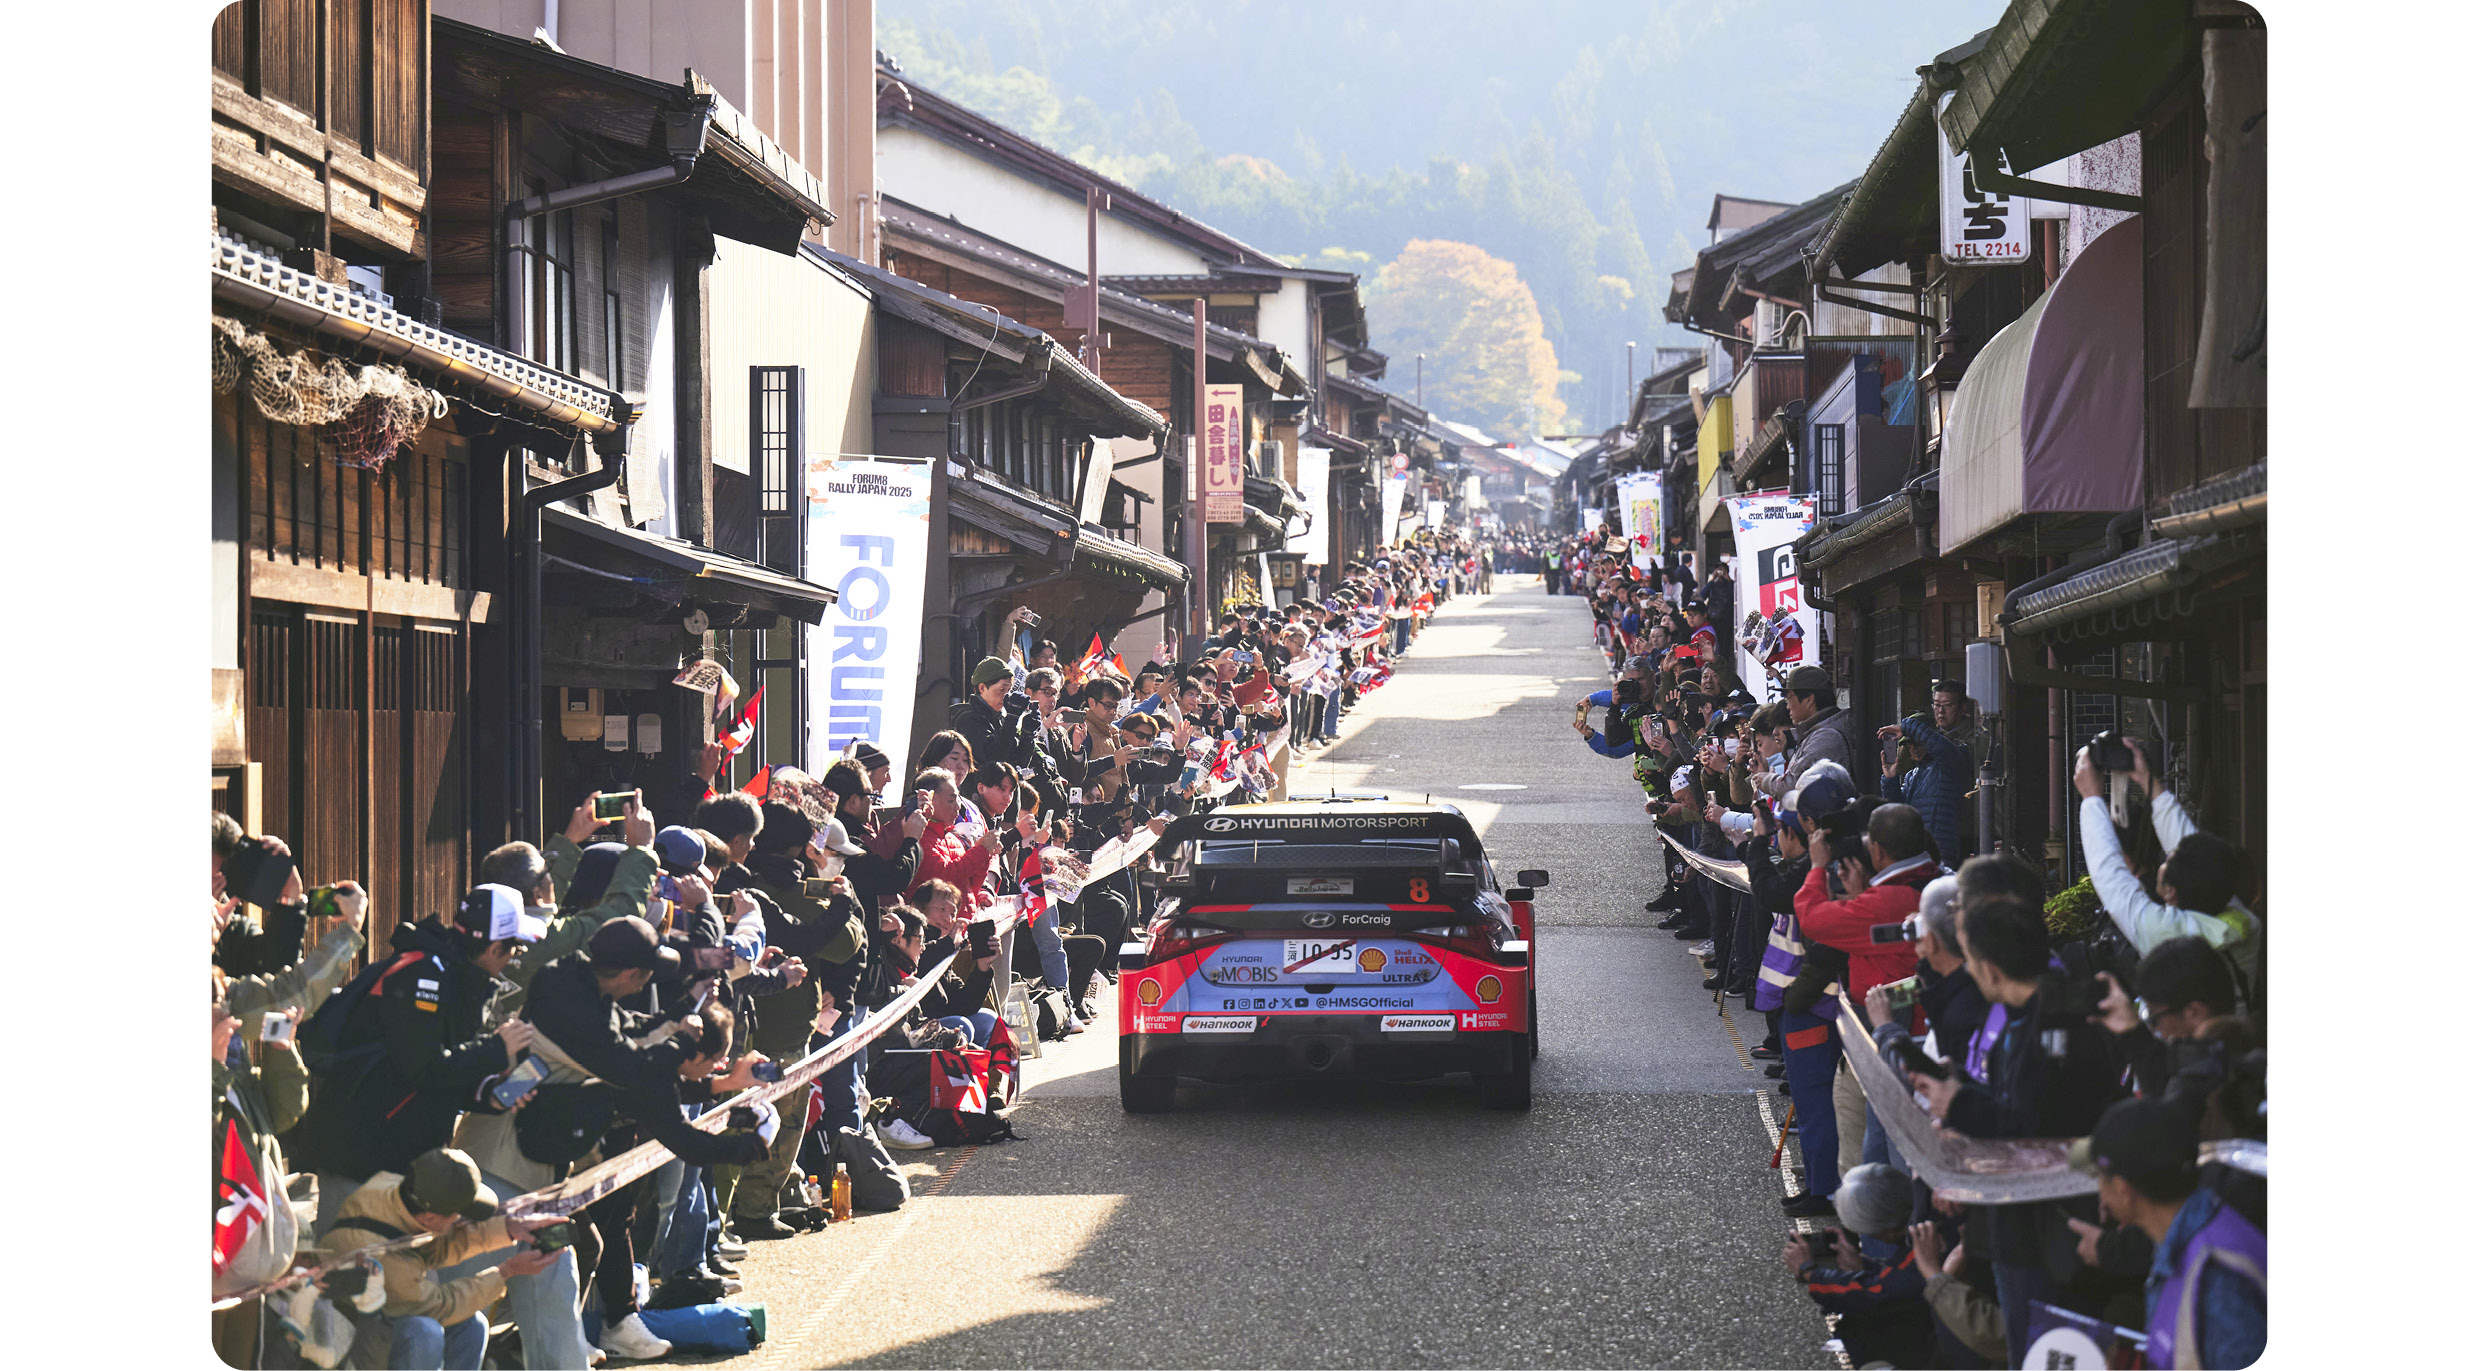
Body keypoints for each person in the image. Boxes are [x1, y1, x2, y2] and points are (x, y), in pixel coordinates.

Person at [1908, 893, 2128, 1364]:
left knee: (2034, 1344)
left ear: (1988, 967)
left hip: (2040, 1222)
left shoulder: (2036, 1028)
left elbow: (2030, 1124)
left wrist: (1960, 1103)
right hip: (2038, 1214)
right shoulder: (2043, 1014)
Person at [290, 885, 547, 1235]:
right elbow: (422, 1067)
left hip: (405, 1159)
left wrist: (491, 1092)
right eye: (514, 948)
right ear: (493, 947)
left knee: (403, 1278)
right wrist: (495, 1050)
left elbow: (443, 1077)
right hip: (360, 1154)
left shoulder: (460, 980)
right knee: (348, 1269)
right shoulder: (423, 974)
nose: (513, 958)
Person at [317, 1147, 562, 1370]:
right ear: (430, 1217)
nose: (460, 1222)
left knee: (473, 1324)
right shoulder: (386, 1262)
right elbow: (443, 1305)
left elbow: (430, 1247)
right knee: (426, 1331)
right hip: (352, 1339)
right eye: (458, 1216)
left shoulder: (390, 1187)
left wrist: (509, 1228)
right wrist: (506, 1272)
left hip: (384, 1309)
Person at [2070, 1098, 2265, 1370]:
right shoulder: (2182, 1239)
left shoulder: (2217, 1279)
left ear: (2124, 1191)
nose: (2099, 1191)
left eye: (2101, 1178)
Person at [2074, 743, 2263, 1008]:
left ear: (2171, 891)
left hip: (2177, 1047)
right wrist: (2147, 782)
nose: (2167, 853)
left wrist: (2091, 799)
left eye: (2169, 859)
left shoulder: (2168, 933)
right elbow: (2196, 853)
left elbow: (2111, 878)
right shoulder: (2241, 922)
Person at [1779, 1162, 1936, 1369]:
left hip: (1940, 1343)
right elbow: (1897, 1276)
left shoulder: (1924, 1246)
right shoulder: (1927, 1223)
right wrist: (1862, 1264)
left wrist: (1809, 1272)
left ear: (1889, 1231)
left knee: (1860, 1327)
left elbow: (1877, 1290)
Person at [1877, 680, 1975, 865]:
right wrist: (1890, 779)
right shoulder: (1913, 775)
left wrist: (1906, 727)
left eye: (1947, 705)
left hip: (1943, 854)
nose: (1913, 748)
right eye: (1937, 705)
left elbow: (1943, 749)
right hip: (1917, 853)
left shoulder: (1951, 760)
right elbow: (1899, 812)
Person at [1754, 665, 1864, 802]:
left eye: (1789, 697)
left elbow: (1795, 787)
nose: (1787, 705)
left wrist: (1766, 780)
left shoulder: (1827, 737)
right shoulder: (1816, 732)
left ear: (1809, 699)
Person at [951, 657, 1039, 772]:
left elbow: (1018, 764)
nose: (1006, 696)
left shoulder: (1000, 718)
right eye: (1001, 690)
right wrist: (1012, 719)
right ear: (982, 688)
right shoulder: (968, 719)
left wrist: (1027, 735)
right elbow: (994, 760)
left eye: (1009, 690)